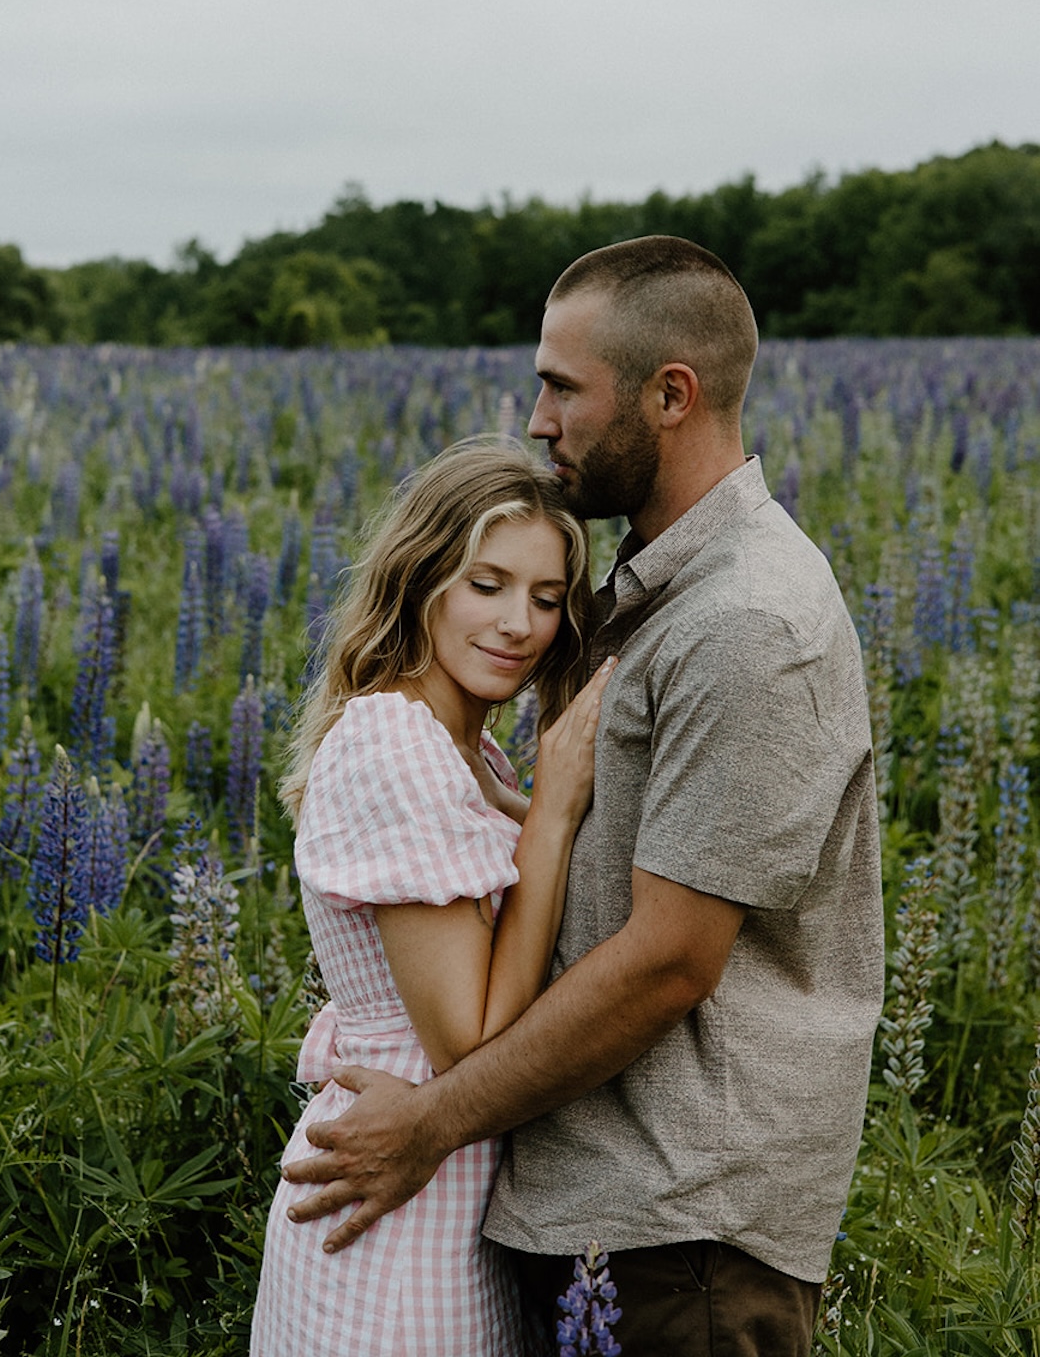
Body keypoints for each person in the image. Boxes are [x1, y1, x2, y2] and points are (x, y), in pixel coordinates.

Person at [284, 236, 885, 1357]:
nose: (538, 417)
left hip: (680, 1228)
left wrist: (432, 1123)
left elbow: (670, 958)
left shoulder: (743, 621)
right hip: (593, 1206)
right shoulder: (661, 593)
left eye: (561, 387)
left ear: (669, 395)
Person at [250, 438, 610, 1356]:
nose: (518, 624)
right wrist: (556, 813)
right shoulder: (398, 743)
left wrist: (526, 805)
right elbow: (468, 1038)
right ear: (422, 580)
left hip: (439, 1178)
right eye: (485, 584)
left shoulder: (467, 754)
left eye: (545, 597)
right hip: (401, 1209)